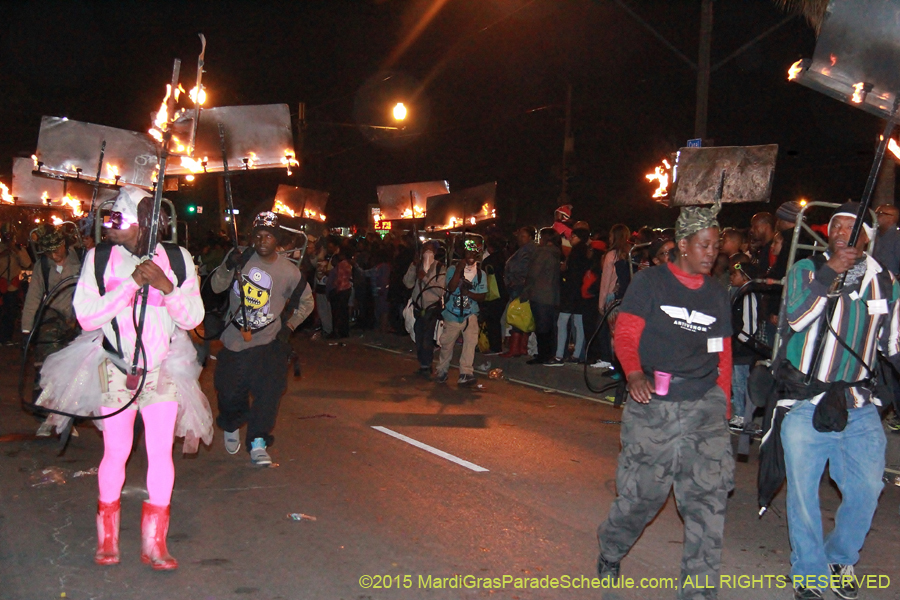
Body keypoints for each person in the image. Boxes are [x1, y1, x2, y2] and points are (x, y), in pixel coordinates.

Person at [36, 186, 212, 570]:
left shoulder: (178, 259)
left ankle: (155, 543)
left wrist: (166, 287)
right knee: (116, 451)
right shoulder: (100, 259)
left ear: (144, 224)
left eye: (118, 219)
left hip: (164, 367)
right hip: (114, 366)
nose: (109, 226)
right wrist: (131, 283)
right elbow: (87, 317)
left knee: (160, 452)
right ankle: (108, 538)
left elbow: (193, 318)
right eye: (108, 218)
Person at [596, 202, 734, 600]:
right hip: (654, 403)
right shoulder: (650, 283)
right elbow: (626, 333)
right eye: (705, 245)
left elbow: (721, 354)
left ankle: (698, 593)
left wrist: (722, 409)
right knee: (642, 498)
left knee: (707, 505)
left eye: (715, 246)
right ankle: (611, 548)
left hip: (703, 406)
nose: (712, 253)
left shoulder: (716, 294)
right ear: (684, 245)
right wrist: (634, 372)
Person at [778, 202, 898, 600]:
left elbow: (892, 344)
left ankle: (840, 556)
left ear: (869, 236)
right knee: (803, 495)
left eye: (853, 227)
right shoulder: (806, 270)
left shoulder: (888, 283)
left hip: (860, 405)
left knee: (866, 489)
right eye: (837, 227)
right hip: (807, 401)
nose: (844, 233)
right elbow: (795, 318)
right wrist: (830, 274)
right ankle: (808, 573)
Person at [211, 211, 314, 465]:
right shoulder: (240, 257)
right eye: (258, 235)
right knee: (228, 392)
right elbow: (216, 286)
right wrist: (228, 265)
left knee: (269, 394)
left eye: (268, 236)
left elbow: (307, 302)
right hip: (235, 340)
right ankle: (233, 423)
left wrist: (288, 327)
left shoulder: (289, 271)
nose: (262, 240)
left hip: (268, 343)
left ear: (276, 239)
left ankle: (258, 440)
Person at [22, 225, 82, 435]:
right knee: (47, 371)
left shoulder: (81, 262)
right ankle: (48, 417)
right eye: (49, 252)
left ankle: (68, 419)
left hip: (77, 322)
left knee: (74, 373)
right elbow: (33, 297)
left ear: (64, 245)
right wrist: (26, 330)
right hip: (51, 321)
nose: (54, 255)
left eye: (56, 250)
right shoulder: (43, 266)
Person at [435, 239, 488, 386]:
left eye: (473, 253)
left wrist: (469, 293)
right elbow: (451, 288)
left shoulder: (480, 274)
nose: (470, 255)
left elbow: (482, 296)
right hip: (452, 313)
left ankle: (466, 373)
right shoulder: (452, 269)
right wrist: (459, 270)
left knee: (470, 344)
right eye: (468, 252)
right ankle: (442, 371)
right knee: (447, 344)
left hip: (470, 314)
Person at [403, 240, 446, 375]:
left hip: (431, 308)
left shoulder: (440, 268)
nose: (427, 253)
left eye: (430, 250)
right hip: (417, 308)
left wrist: (425, 278)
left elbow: (440, 291)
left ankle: (426, 365)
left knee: (427, 338)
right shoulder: (417, 266)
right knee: (419, 337)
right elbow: (408, 283)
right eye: (424, 250)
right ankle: (423, 364)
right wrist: (414, 267)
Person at [521, 228, 562, 365]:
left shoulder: (542, 252)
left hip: (539, 293)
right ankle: (549, 353)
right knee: (549, 327)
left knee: (541, 327)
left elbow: (533, 273)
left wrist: (525, 290)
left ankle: (542, 355)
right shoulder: (556, 253)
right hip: (552, 294)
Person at [550, 227, 590, 365]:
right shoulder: (585, 251)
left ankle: (559, 355)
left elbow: (573, 274)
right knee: (578, 324)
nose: (570, 239)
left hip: (572, 292)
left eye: (573, 236)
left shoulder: (576, 252)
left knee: (562, 322)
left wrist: (564, 271)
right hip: (580, 293)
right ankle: (577, 354)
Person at [501, 226, 536, 357]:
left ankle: (516, 349)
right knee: (523, 317)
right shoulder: (527, 249)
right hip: (523, 287)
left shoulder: (528, 250)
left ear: (530, 237)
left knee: (516, 317)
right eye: (519, 236)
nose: (520, 239)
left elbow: (521, 269)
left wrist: (511, 280)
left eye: (523, 236)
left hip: (520, 288)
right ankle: (521, 348)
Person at [0, 230, 32, 345]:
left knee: (11, 312)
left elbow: (27, 263)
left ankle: (6, 337)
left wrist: (16, 251)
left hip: (12, 285)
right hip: (1, 283)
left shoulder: (18, 249)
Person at [873, 203, 900, 276]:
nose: (875, 217)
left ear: (892, 218)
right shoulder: (874, 236)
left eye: (880, 214)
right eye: (875, 214)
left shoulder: (897, 238)